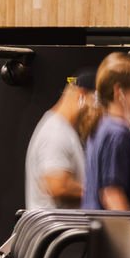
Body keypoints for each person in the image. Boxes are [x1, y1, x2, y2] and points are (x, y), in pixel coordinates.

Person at [82, 52, 130, 211]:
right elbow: (112, 195)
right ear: (119, 91)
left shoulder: (106, 127)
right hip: (119, 235)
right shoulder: (116, 133)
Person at [24, 70, 94, 210]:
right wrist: (101, 193)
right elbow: (58, 187)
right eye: (97, 102)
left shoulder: (63, 129)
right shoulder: (56, 132)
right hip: (55, 231)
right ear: (82, 96)